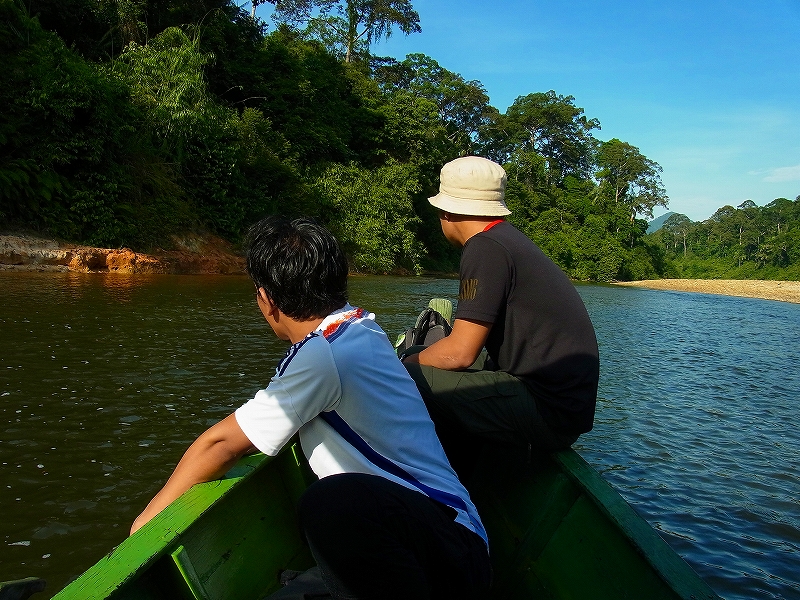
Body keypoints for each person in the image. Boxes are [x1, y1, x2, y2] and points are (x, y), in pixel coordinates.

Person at [130, 216, 491, 600]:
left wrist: (144, 527)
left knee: (328, 504)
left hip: (448, 558)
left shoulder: (325, 354)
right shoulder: (358, 326)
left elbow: (221, 445)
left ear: (266, 299)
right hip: (445, 540)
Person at [401, 156, 600, 474]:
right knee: (417, 354)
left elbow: (460, 354)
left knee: (408, 374)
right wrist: (415, 356)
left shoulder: (484, 249)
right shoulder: (505, 240)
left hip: (547, 411)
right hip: (560, 404)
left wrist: (401, 367)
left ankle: (432, 473)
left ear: (447, 211)